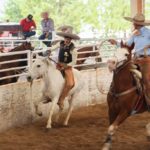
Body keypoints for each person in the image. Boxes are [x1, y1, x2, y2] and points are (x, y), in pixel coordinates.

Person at [109, 13, 150, 109]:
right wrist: (116, 43)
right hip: (136, 59)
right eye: (133, 23)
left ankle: (149, 103)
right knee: (121, 71)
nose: (133, 24)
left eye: (134, 23)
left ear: (139, 24)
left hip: (147, 60)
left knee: (146, 80)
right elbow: (127, 45)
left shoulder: (148, 33)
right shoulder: (135, 33)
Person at [50, 32, 80, 110]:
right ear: (64, 39)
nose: (67, 40)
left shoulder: (73, 49)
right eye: (66, 39)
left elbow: (74, 62)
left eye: (68, 39)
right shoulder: (60, 43)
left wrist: (65, 66)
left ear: (71, 40)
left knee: (70, 84)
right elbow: (53, 48)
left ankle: (61, 99)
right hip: (58, 64)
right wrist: (48, 50)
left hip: (67, 67)